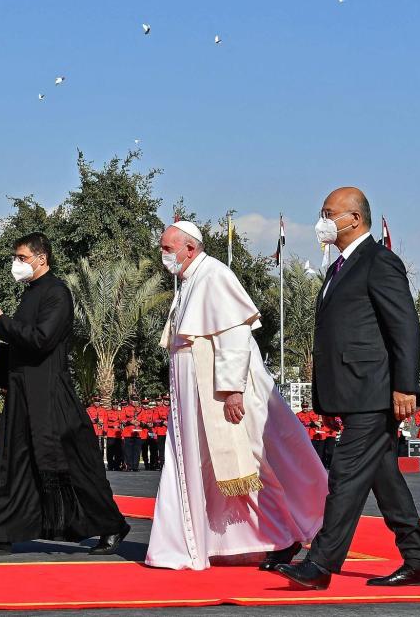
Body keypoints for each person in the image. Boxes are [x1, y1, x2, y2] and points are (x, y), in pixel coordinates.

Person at [146, 221, 327, 572]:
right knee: (207, 471)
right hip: (193, 391)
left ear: (190, 248)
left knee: (248, 464)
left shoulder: (214, 275)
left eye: (167, 248)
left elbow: (233, 338)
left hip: (220, 392)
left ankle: (283, 536)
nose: (162, 254)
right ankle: (210, 543)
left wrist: (231, 392)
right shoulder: (188, 282)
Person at [278, 187, 420, 589]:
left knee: (345, 473)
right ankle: (419, 561)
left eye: (328, 213)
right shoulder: (338, 268)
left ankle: (320, 564)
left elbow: (405, 327)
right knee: (385, 478)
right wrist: (327, 397)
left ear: (353, 219)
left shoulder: (379, 262)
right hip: (352, 393)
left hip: (376, 392)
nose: (322, 220)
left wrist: (406, 386)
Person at [0, 232, 129, 556]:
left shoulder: (57, 293)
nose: (16, 264)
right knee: (10, 462)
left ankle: (111, 526)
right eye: (16, 258)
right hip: (22, 393)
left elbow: (42, 339)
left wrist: (2, 322)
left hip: (50, 396)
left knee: (71, 464)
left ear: (41, 259)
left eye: (21, 258)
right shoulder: (31, 293)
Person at [121, 397, 141, 472]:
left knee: (137, 451)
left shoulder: (140, 409)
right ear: (130, 401)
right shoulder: (125, 409)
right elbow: (122, 420)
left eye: (136, 400)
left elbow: (144, 419)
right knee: (128, 451)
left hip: (138, 432)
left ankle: (135, 466)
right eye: (133, 400)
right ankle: (128, 466)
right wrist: (130, 422)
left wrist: (140, 423)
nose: (135, 402)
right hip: (128, 433)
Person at [104, 402, 124, 471]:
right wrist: (105, 432)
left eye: (116, 405)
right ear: (112, 405)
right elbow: (105, 422)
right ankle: (110, 465)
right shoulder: (108, 412)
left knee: (118, 451)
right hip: (110, 433)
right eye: (114, 405)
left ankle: (117, 465)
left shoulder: (120, 412)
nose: (115, 406)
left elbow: (123, 421)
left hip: (118, 434)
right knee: (110, 451)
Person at [138, 400, 157, 470]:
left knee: (153, 450)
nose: (145, 405)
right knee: (144, 450)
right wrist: (144, 424)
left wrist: (152, 423)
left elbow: (155, 419)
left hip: (151, 432)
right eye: (144, 404)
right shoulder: (140, 411)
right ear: (142, 404)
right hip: (143, 433)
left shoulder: (152, 411)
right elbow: (138, 421)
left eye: (146, 404)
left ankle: (152, 465)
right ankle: (146, 464)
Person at [154, 396, 170, 470]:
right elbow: (155, 420)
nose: (167, 401)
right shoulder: (158, 409)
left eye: (168, 400)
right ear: (163, 400)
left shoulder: (172, 408)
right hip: (161, 432)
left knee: (170, 450)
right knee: (161, 449)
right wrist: (163, 422)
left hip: (170, 433)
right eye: (165, 400)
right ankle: (162, 464)